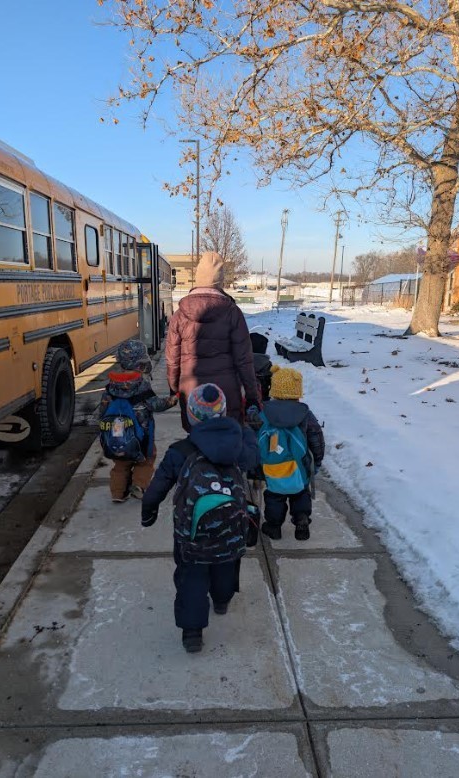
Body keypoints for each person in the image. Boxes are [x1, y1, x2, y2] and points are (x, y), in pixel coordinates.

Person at [141, 383, 259, 653]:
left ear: (192, 416)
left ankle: (192, 633)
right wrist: (247, 432)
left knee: (191, 576)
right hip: (230, 529)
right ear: (224, 412)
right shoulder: (238, 445)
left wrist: (149, 511)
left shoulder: (180, 451)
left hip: (190, 534)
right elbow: (254, 459)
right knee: (226, 563)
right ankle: (222, 600)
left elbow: (158, 486)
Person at [165, 251, 260, 431]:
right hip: (225, 393)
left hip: (191, 391)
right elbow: (244, 359)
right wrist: (252, 396)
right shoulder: (233, 313)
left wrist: (174, 388)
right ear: (219, 281)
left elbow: (172, 358)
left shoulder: (179, 315)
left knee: (196, 439)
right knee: (227, 437)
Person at [250, 366, 324, 541]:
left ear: (274, 390)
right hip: (300, 465)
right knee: (301, 492)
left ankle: (274, 527)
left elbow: (253, 437)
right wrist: (317, 461)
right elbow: (316, 439)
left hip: (272, 465)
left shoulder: (264, 412)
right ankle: (301, 519)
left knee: (274, 496)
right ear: (297, 392)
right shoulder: (305, 414)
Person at [98, 339, 178, 503]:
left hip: (117, 435)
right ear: (141, 363)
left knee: (120, 464)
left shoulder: (111, 386)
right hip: (141, 435)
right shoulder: (141, 385)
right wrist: (172, 400)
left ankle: (117, 493)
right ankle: (139, 486)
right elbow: (156, 405)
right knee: (146, 460)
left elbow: (102, 411)